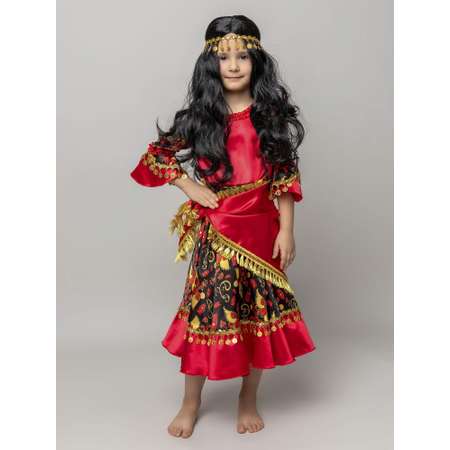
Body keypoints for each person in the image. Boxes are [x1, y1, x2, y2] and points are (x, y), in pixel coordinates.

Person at [130, 15, 316, 438]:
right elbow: (155, 158)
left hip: (262, 232)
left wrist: (287, 230)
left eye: (243, 56)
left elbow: (285, 177)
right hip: (219, 234)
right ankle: (190, 402)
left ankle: (248, 398)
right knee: (208, 313)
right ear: (210, 64)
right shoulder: (201, 117)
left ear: (256, 61)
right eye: (224, 57)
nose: (233, 65)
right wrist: (189, 185)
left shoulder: (270, 116)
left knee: (256, 317)